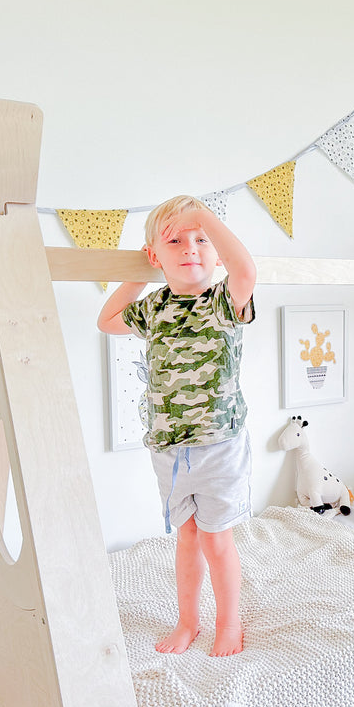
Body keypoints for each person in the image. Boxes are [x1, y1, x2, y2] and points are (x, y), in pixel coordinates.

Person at [98, 195, 256, 657]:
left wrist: (202, 216)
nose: (191, 247)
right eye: (176, 240)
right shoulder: (154, 308)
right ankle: (189, 622)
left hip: (219, 445)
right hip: (167, 447)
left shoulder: (224, 302)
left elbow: (245, 270)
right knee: (186, 536)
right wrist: (138, 273)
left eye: (201, 239)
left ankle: (230, 623)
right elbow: (106, 321)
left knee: (216, 538)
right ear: (156, 255)